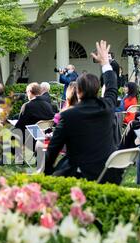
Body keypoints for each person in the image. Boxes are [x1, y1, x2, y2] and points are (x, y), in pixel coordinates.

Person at [44, 40, 119, 183]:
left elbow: (53, 150)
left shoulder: (68, 115)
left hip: (81, 175)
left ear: (77, 91)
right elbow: (112, 86)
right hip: (109, 174)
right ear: (98, 90)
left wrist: (46, 175)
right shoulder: (107, 106)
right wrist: (105, 64)